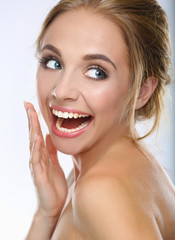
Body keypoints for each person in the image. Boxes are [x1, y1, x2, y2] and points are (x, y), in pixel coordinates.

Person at [24, 0, 175, 239]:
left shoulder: (101, 190)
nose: (61, 91)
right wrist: (47, 212)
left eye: (96, 72)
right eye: (54, 62)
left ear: (143, 90)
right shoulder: (115, 167)